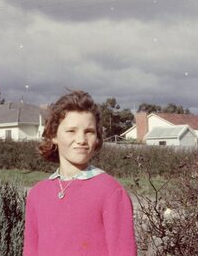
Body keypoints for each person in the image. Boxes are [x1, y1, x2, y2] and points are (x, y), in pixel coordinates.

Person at [23, 90, 137, 256]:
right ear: (54, 136)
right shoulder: (37, 194)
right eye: (71, 131)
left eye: (89, 131)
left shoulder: (110, 192)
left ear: (97, 138)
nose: (81, 140)